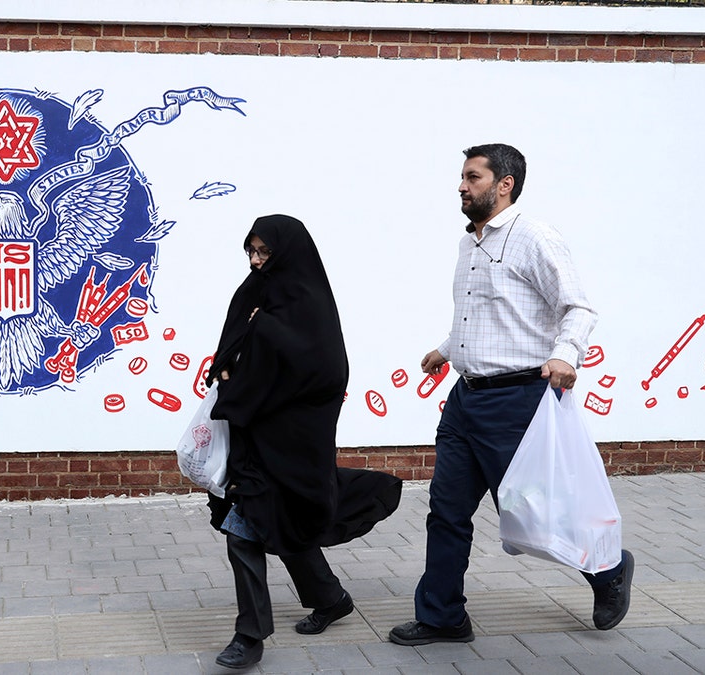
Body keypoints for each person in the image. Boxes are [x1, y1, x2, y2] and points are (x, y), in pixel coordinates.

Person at [388, 144, 634, 647]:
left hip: (518, 401)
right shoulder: (469, 244)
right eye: (461, 176)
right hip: (465, 400)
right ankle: (442, 617)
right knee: (446, 510)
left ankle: (608, 571)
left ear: (505, 184)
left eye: (472, 177)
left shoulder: (534, 237)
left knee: (535, 512)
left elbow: (579, 308)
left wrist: (566, 355)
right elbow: (482, 316)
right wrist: (445, 349)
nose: (461, 185)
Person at [205, 214, 402, 669]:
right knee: (276, 516)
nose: (256, 262)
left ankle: (249, 636)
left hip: (293, 437)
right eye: (250, 252)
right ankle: (329, 598)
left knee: (248, 528)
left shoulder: (309, 305)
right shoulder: (254, 293)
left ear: (287, 253)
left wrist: (257, 346)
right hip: (251, 432)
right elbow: (230, 349)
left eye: (264, 253)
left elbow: (325, 375)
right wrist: (230, 369)